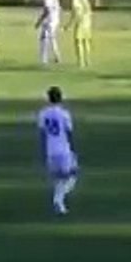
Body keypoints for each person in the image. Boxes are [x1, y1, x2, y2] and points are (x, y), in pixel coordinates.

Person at [37, 86, 79, 216]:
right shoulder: (64, 114)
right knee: (72, 176)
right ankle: (58, 200)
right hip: (64, 150)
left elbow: (42, 130)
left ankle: (59, 201)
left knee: (58, 179)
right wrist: (72, 148)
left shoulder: (43, 113)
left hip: (51, 150)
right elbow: (69, 131)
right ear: (61, 98)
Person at [34, 0, 62, 65]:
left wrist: (39, 22)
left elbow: (46, 12)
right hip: (54, 20)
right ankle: (56, 57)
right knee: (50, 38)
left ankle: (45, 59)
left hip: (51, 21)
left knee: (45, 39)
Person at [67, 0, 93, 68]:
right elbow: (89, 10)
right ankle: (88, 60)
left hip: (81, 22)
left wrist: (69, 25)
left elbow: (75, 14)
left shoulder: (74, 1)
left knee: (78, 42)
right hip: (88, 22)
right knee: (87, 42)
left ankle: (81, 62)